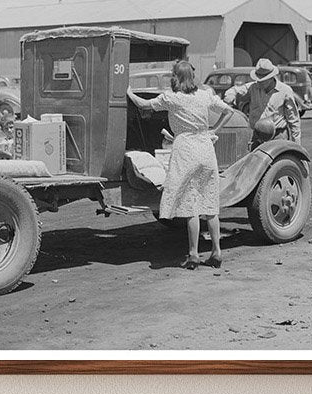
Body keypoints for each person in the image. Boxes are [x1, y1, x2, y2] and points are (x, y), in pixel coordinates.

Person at [127, 60, 234, 270]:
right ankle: (216, 252)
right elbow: (228, 111)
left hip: (185, 150)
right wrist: (214, 131)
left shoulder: (172, 98)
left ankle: (194, 254)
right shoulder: (204, 95)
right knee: (210, 205)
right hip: (205, 147)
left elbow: (143, 105)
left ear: (176, 78)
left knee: (190, 205)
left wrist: (129, 92)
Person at [224, 57, 301, 149]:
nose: (259, 83)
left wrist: (297, 144)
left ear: (271, 78)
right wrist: (230, 96)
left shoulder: (285, 91)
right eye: (258, 80)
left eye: (263, 81)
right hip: (256, 135)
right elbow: (235, 90)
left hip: (277, 135)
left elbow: (293, 120)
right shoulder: (253, 88)